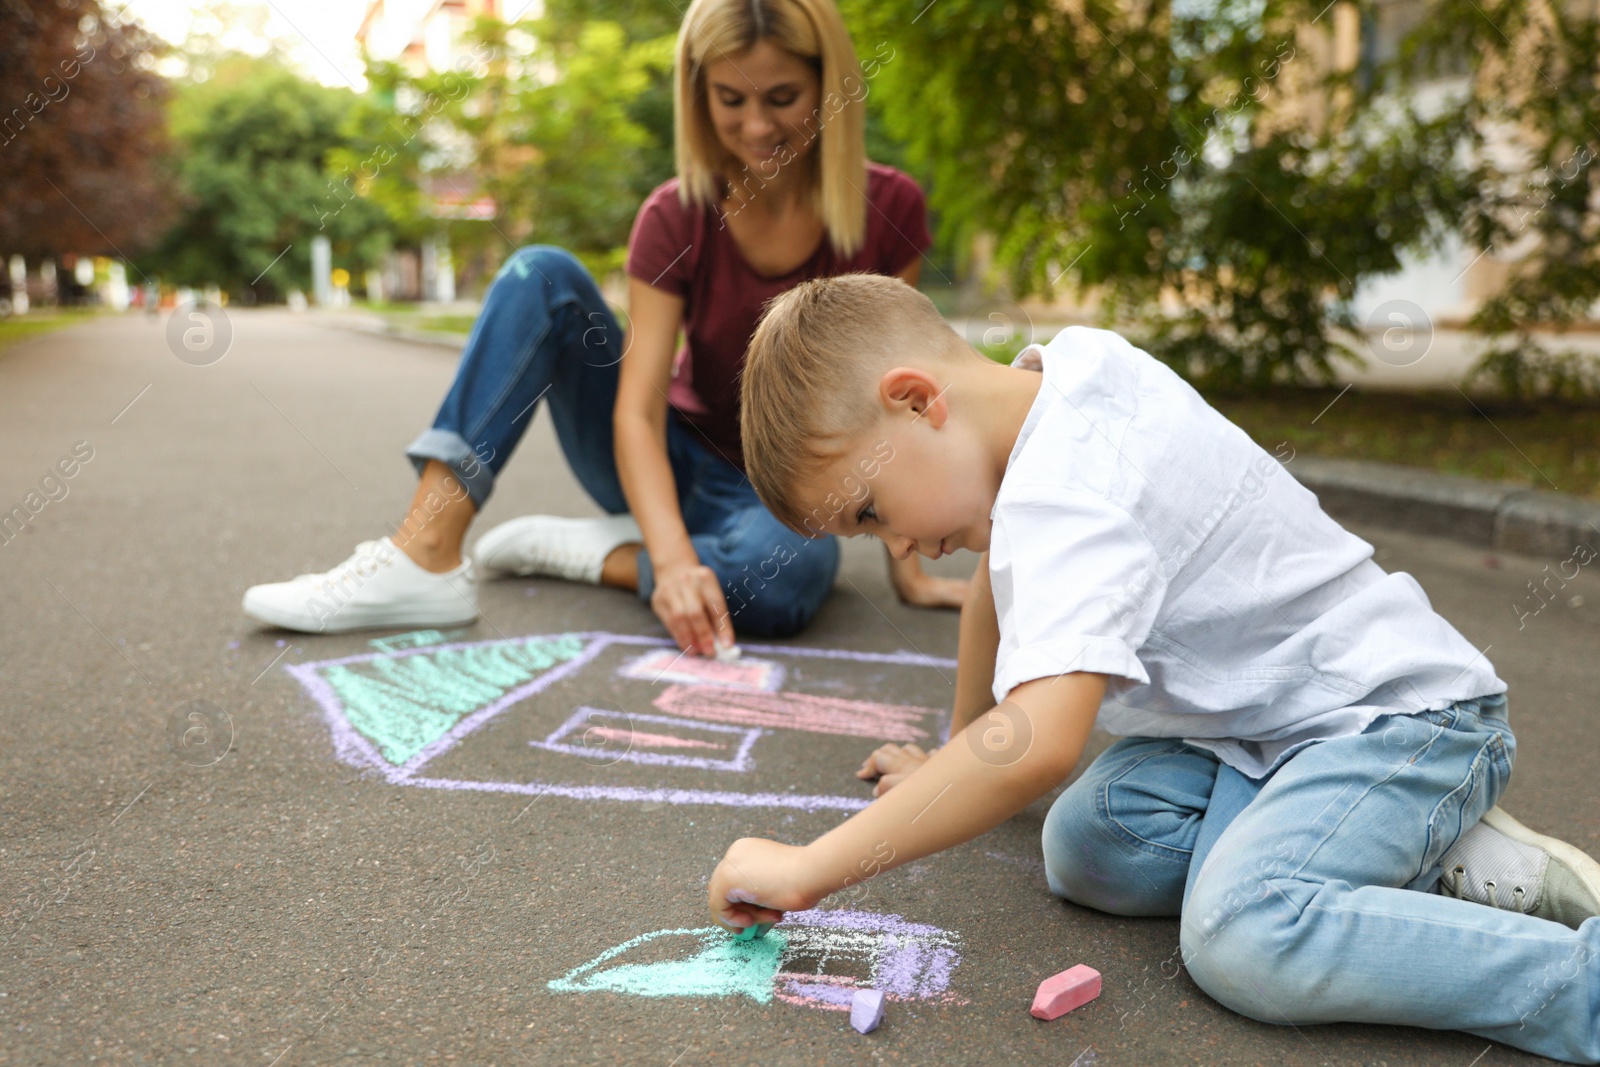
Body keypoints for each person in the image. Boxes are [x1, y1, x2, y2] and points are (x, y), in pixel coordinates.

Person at [708, 273, 1600, 1064]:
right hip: (1265, 732)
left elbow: (1039, 745)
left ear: (915, 399)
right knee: (1087, 843)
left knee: (1243, 933)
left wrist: (809, 869)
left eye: (868, 511)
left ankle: (1579, 984)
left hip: (1401, 720)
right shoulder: (1062, 377)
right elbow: (994, 579)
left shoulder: (1071, 490)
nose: (895, 543)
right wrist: (950, 748)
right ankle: (1385, 853)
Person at [241, 0, 964, 652]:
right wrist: (676, 562)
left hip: (789, 487)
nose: (755, 125)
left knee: (778, 586)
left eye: (783, 98)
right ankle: (425, 552)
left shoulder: (887, 207)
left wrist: (909, 576)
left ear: (830, 85)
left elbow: (889, 416)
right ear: (696, 94)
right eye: (729, 99)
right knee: (541, 274)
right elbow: (638, 410)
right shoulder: (675, 214)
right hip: (668, 454)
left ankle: (602, 553)